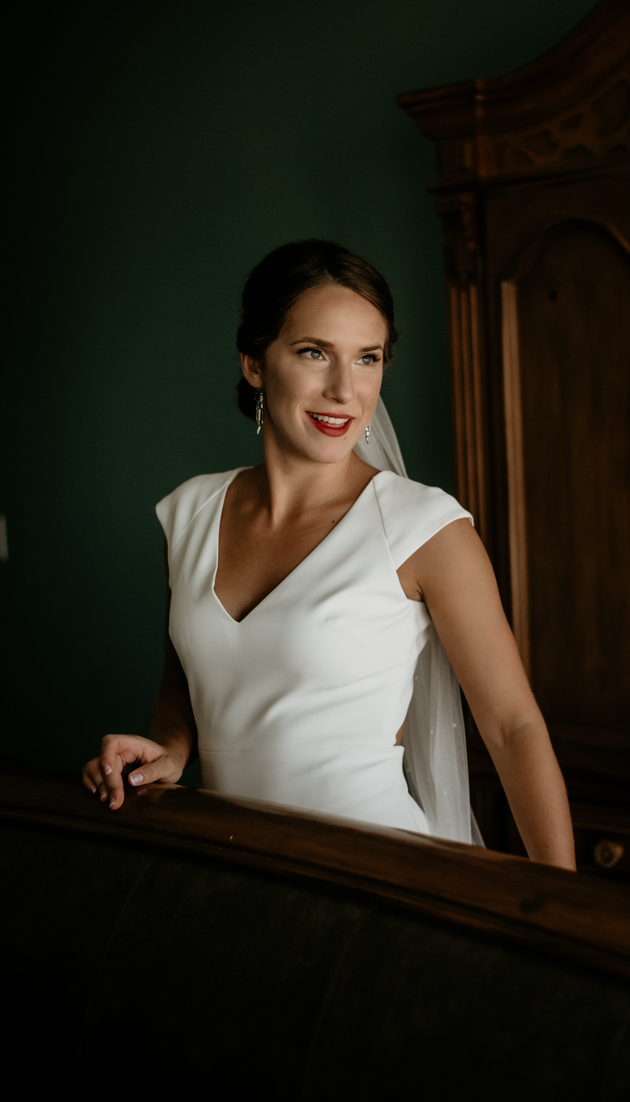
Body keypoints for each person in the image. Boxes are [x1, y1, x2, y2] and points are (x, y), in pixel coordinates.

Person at [82, 240, 575, 869]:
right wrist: (173, 751)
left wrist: (560, 902)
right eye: (314, 353)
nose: (345, 389)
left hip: (375, 871)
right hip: (227, 864)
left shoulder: (425, 527)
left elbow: (512, 728)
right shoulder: (190, 512)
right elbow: (187, 672)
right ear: (255, 363)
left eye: (367, 359)